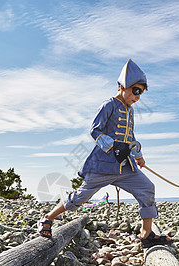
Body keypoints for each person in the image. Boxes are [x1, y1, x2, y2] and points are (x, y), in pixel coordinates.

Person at [38, 59, 172, 248]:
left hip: (124, 166)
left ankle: (146, 234)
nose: (138, 97)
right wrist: (113, 146)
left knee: (147, 188)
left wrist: (138, 155)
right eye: (136, 91)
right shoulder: (108, 105)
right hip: (103, 165)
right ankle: (49, 217)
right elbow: (95, 131)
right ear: (123, 86)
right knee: (80, 197)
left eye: (141, 93)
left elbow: (130, 136)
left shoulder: (130, 110)